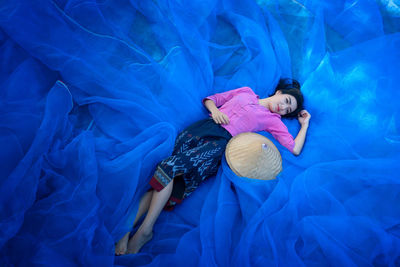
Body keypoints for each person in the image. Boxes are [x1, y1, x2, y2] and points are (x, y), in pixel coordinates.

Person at [115, 78, 311, 255]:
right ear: (279, 92)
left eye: (288, 110)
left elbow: (294, 148)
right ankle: (126, 230)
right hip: (200, 131)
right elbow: (211, 100)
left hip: (219, 144)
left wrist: (304, 125)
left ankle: (145, 230)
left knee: (169, 169)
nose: (283, 108)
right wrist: (216, 111)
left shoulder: (273, 120)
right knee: (165, 181)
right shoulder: (246, 92)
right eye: (286, 101)